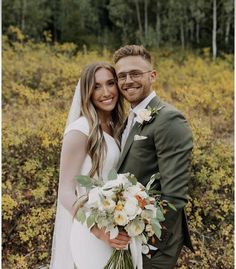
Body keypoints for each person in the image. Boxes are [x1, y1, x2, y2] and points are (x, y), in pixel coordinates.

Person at [113, 45, 194, 269]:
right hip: (127, 236)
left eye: (135, 73)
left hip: (155, 243)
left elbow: (175, 196)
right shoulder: (127, 119)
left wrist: (150, 241)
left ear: (153, 75)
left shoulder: (169, 119)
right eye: (122, 76)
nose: (128, 80)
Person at [50, 62, 130, 269]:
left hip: (118, 226)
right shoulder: (80, 130)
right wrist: (97, 230)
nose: (106, 92)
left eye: (111, 83)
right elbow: (66, 190)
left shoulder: (117, 126)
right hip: (91, 231)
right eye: (96, 86)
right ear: (87, 91)